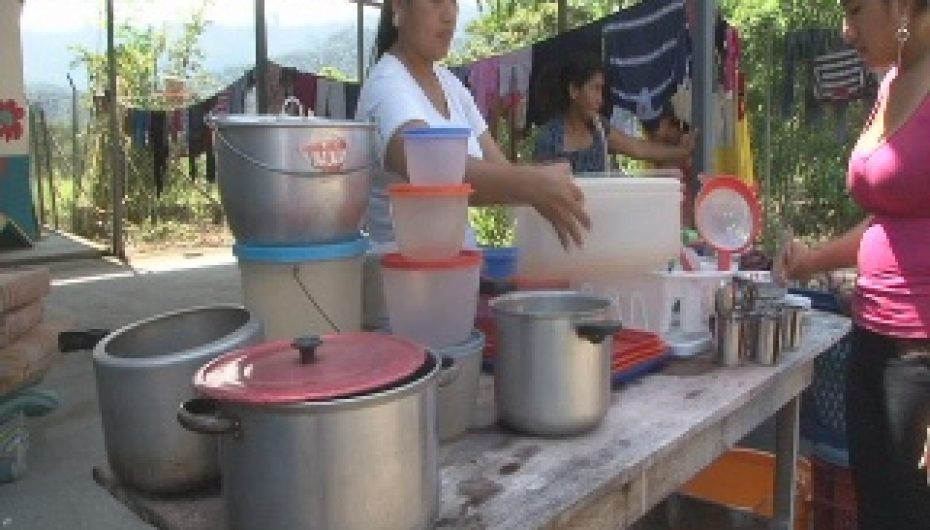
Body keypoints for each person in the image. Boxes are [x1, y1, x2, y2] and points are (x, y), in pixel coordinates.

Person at [779, 1, 930, 528]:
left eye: (857, 10)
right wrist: (813, 260)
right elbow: (893, 217)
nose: (847, 31)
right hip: (872, 342)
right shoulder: (892, 81)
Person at [356, 0, 590, 251]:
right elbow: (430, 167)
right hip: (404, 280)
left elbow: (499, 170)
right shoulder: (386, 86)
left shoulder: (451, 86)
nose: (449, 15)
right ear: (399, 8)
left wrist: (547, 186)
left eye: (454, 2)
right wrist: (530, 184)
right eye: (436, 2)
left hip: (458, 273)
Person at [532, 53, 695, 174]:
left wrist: (683, 152)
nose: (600, 100)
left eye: (601, 90)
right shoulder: (548, 139)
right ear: (574, 90)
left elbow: (638, 148)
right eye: (595, 89)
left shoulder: (599, 129)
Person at [642, 104, 696, 228]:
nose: (651, 133)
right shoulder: (659, 155)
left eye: (655, 126)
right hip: (669, 221)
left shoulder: (685, 149)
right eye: (648, 129)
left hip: (686, 221)